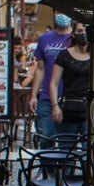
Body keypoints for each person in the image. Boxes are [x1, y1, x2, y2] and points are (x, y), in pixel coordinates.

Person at [29, 14, 74, 143]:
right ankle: (47, 163)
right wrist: (33, 95)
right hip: (46, 98)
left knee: (67, 142)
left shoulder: (75, 39)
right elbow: (40, 69)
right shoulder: (44, 39)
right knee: (45, 139)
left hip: (69, 98)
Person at [49, 21, 93, 138]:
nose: (83, 34)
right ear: (73, 34)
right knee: (66, 147)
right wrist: (55, 106)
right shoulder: (64, 55)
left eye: (85, 31)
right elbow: (54, 83)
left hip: (89, 110)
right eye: (79, 31)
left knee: (87, 150)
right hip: (68, 107)